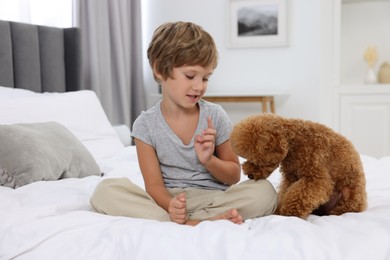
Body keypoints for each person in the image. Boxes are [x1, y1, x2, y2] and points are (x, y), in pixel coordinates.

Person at [90, 21, 277, 226]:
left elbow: (233, 176)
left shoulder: (216, 116)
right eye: (190, 76)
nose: (199, 86)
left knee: (265, 191)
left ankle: (187, 221)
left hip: (214, 198)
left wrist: (209, 161)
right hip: (168, 202)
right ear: (160, 70)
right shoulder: (145, 124)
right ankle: (196, 221)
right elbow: (153, 186)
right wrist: (171, 205)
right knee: (104, 191)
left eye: (205, 78)